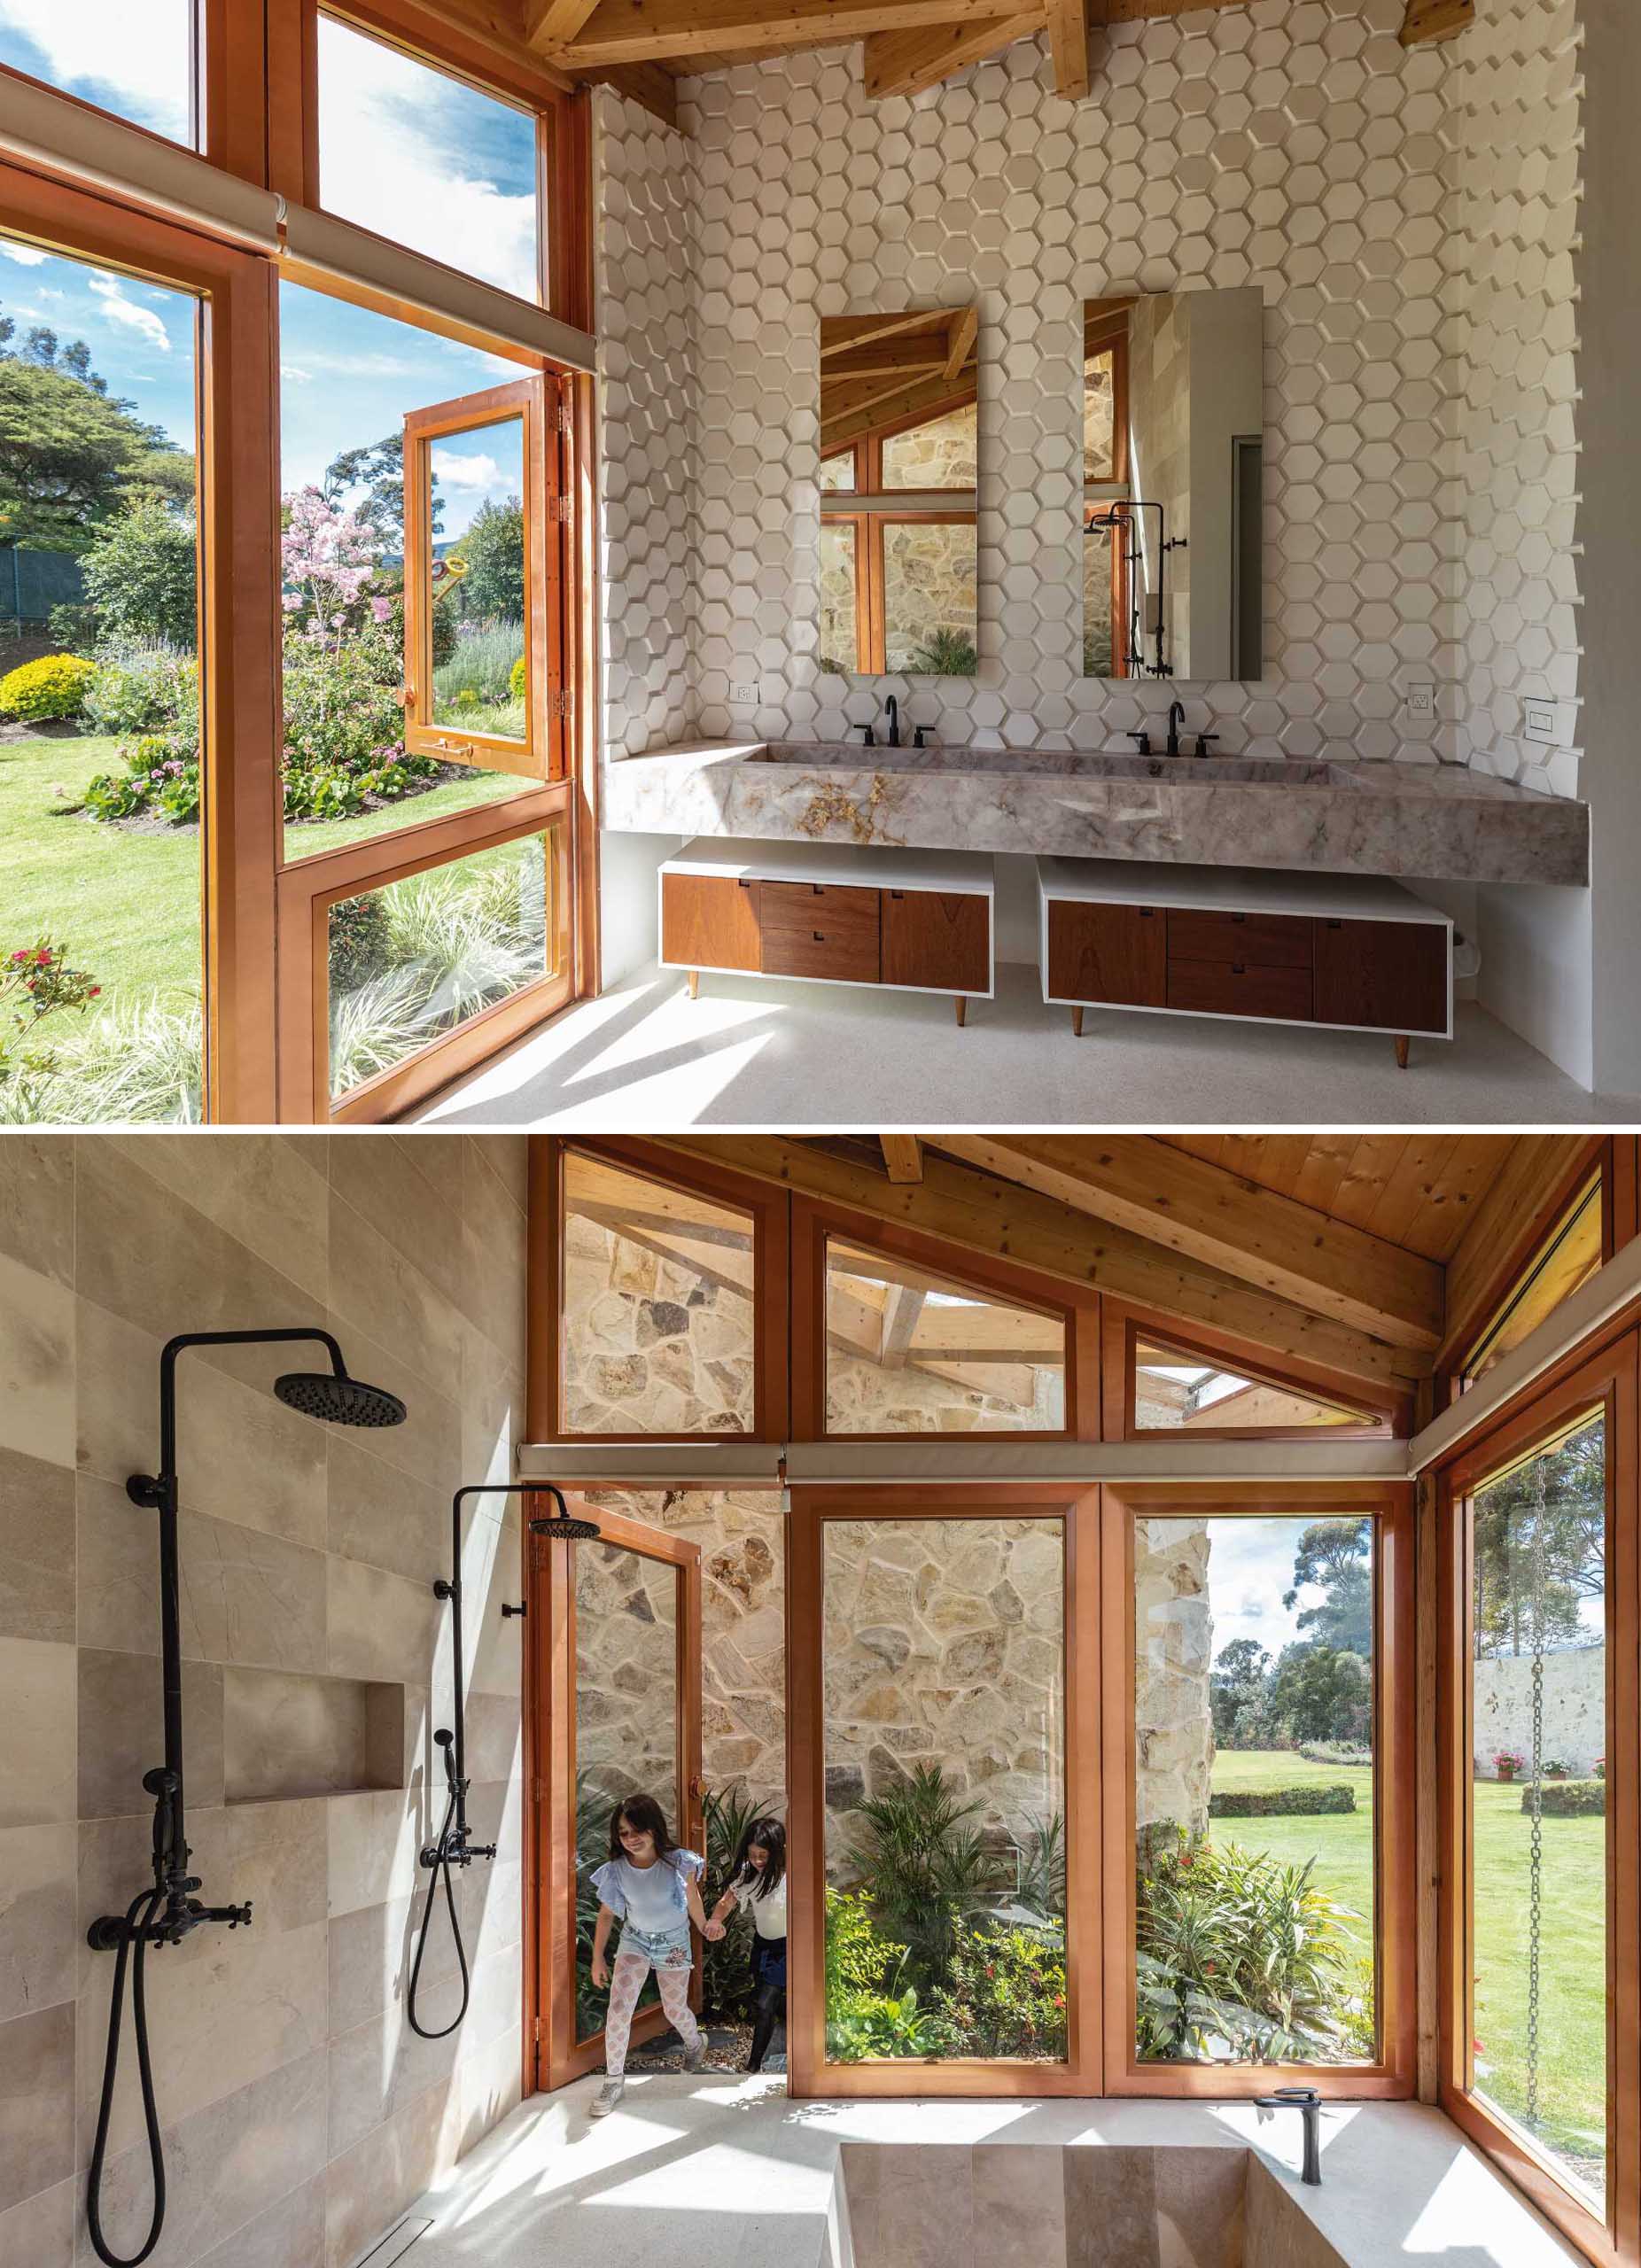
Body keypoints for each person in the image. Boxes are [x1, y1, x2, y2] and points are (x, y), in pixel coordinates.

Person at [587, 1792, 710, 2116]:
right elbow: (606, 1915)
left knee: (673, 2009)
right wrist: (598, 1957)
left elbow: (693, 1900)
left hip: (673, 1943)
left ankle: (695, 2044)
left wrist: (705, 1925)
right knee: (619, 2008)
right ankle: (614, 2080)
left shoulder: (678, 1862)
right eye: (623, 1833)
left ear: (653, 1828)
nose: (630, 1839)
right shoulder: (616, 1870)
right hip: (635, 1941)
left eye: (636, 1830)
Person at [703, 1815, 787, 2074]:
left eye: (763, 1855)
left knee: (765, 2003)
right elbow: (727, 1901)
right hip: (763, 1944)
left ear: (778, 1851)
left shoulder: (791, 1875)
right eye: (752, 1855)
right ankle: (782, 2033)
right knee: (764, 2001)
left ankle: (753, 2064)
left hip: (789, 1947)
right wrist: (715, 1920)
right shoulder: (747, 1875)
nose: (758, 1861)